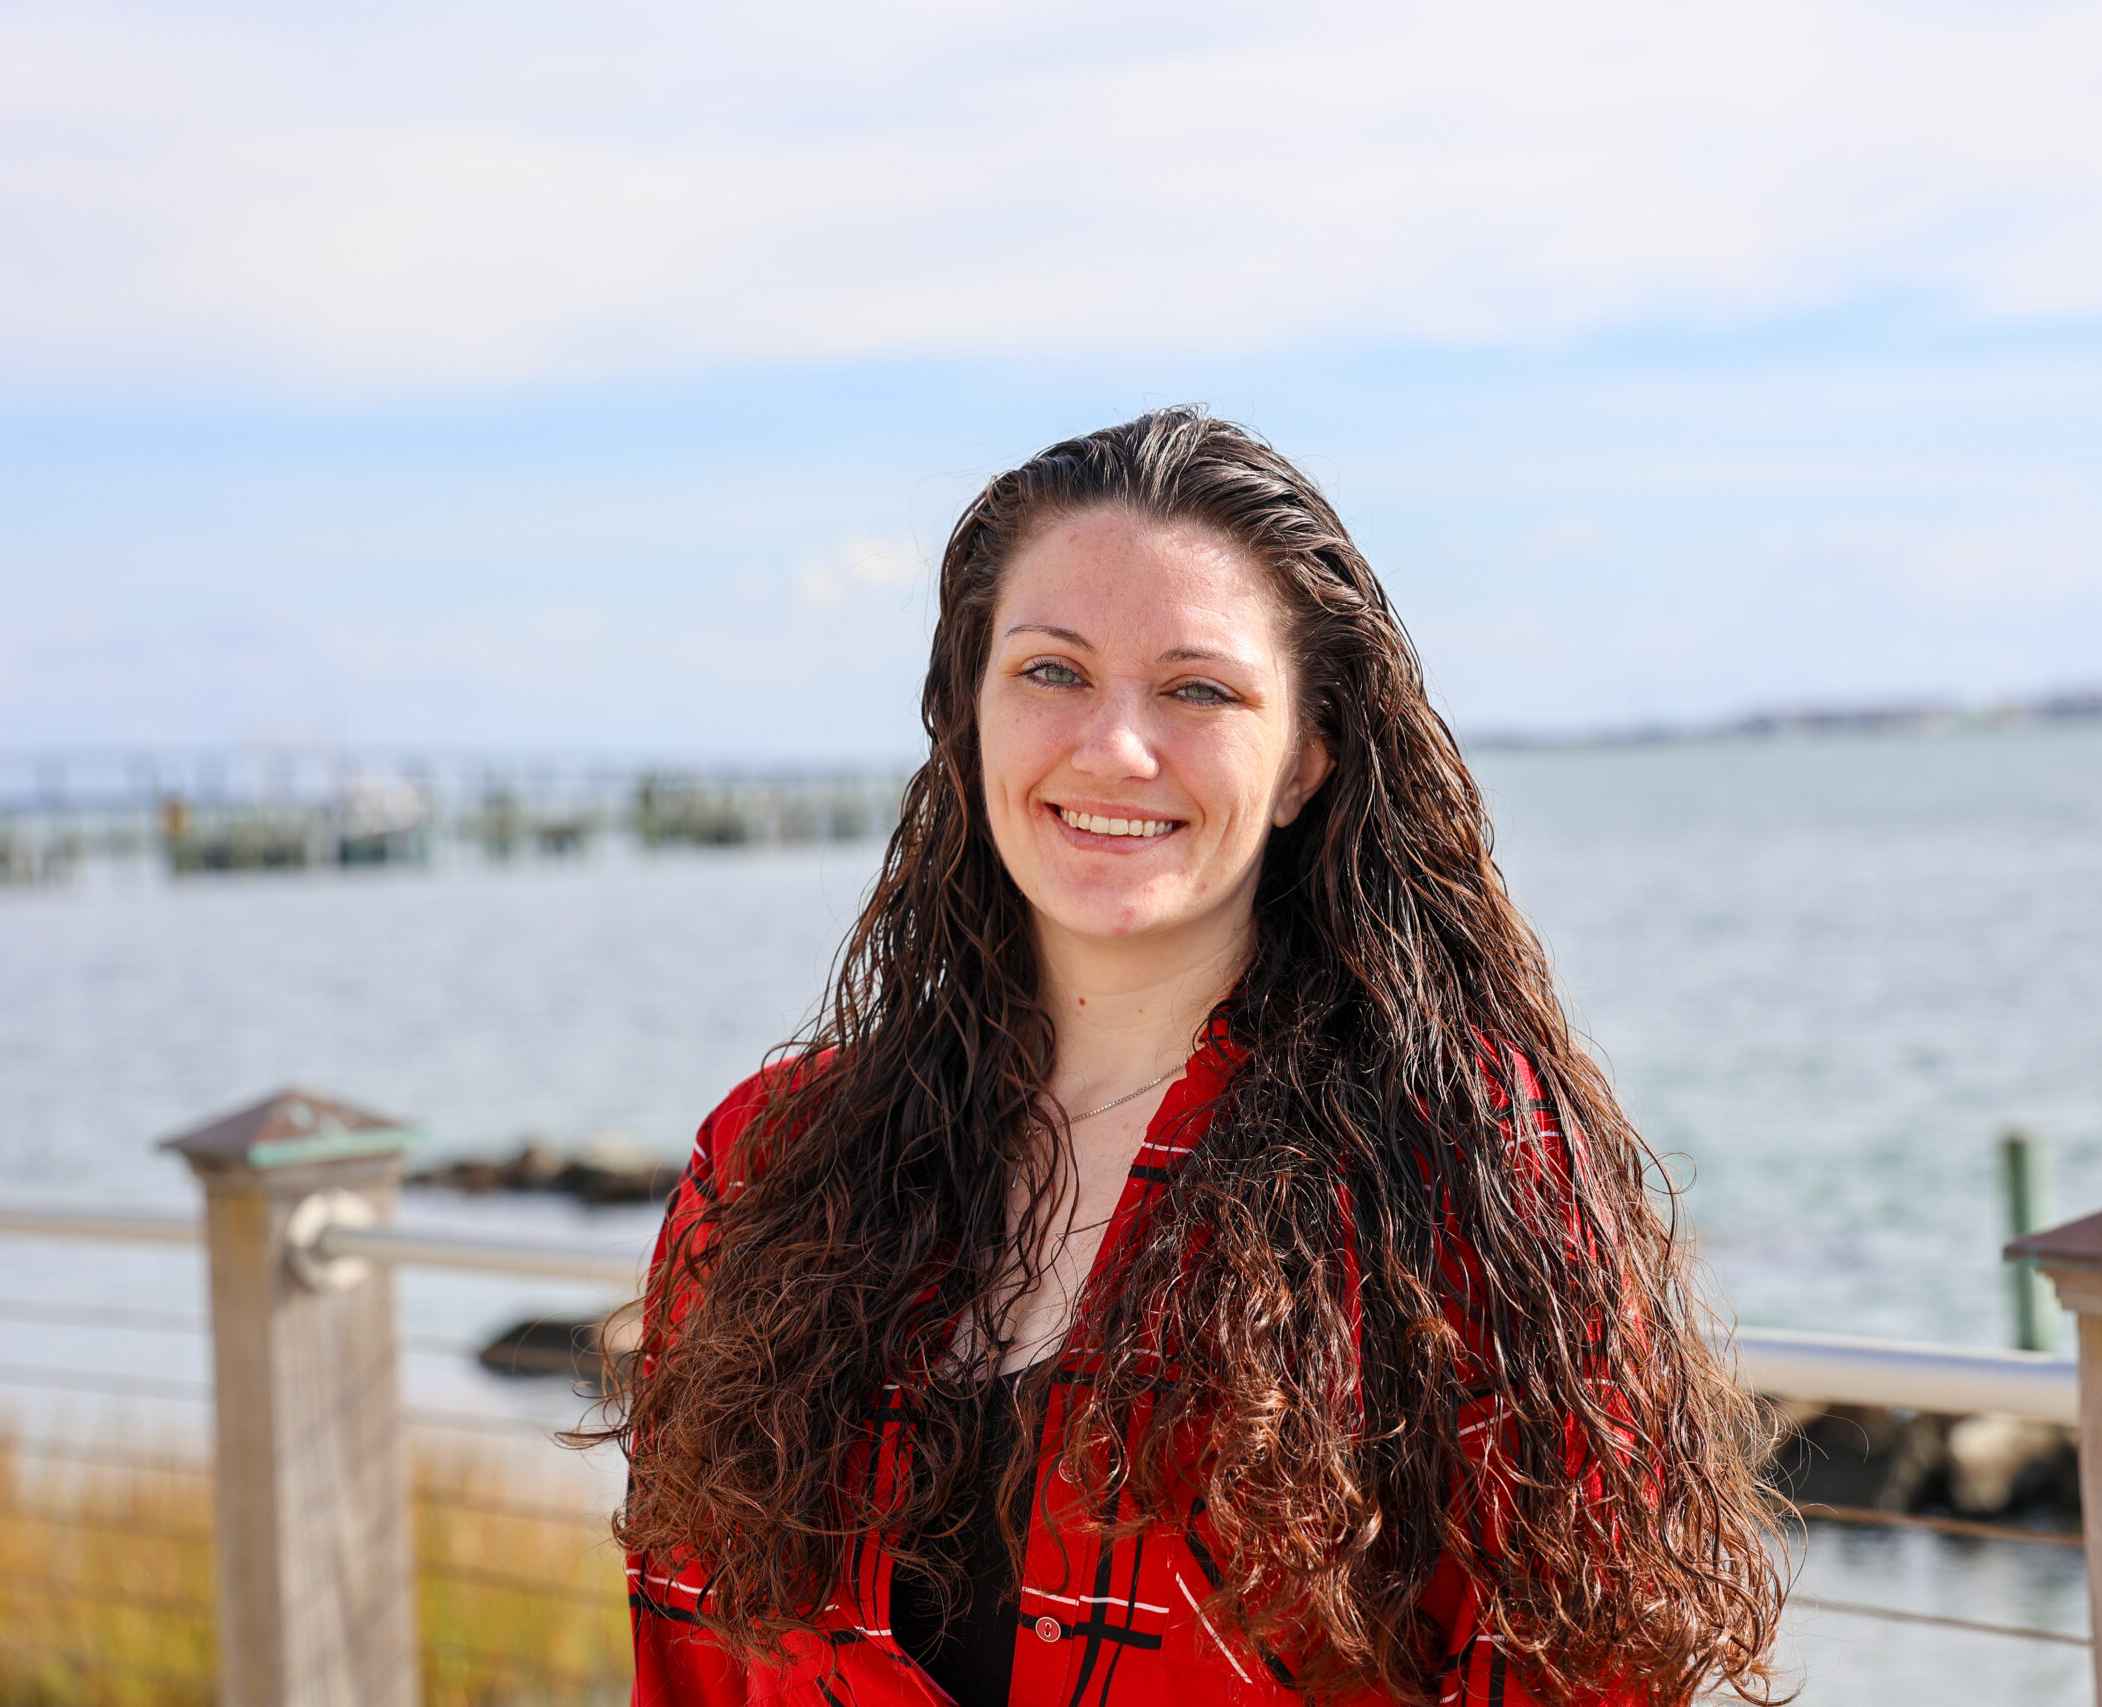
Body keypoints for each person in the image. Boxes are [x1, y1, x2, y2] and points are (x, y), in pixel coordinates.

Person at [594, 409, 1785, 1706]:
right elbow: (686, 1664)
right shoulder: (770, 1163)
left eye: (1198, 689)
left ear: (1306, 761)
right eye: (1051, 671)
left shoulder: (1459, 1163)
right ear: (969, 717)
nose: (1114, 746)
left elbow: (1582, 1675)